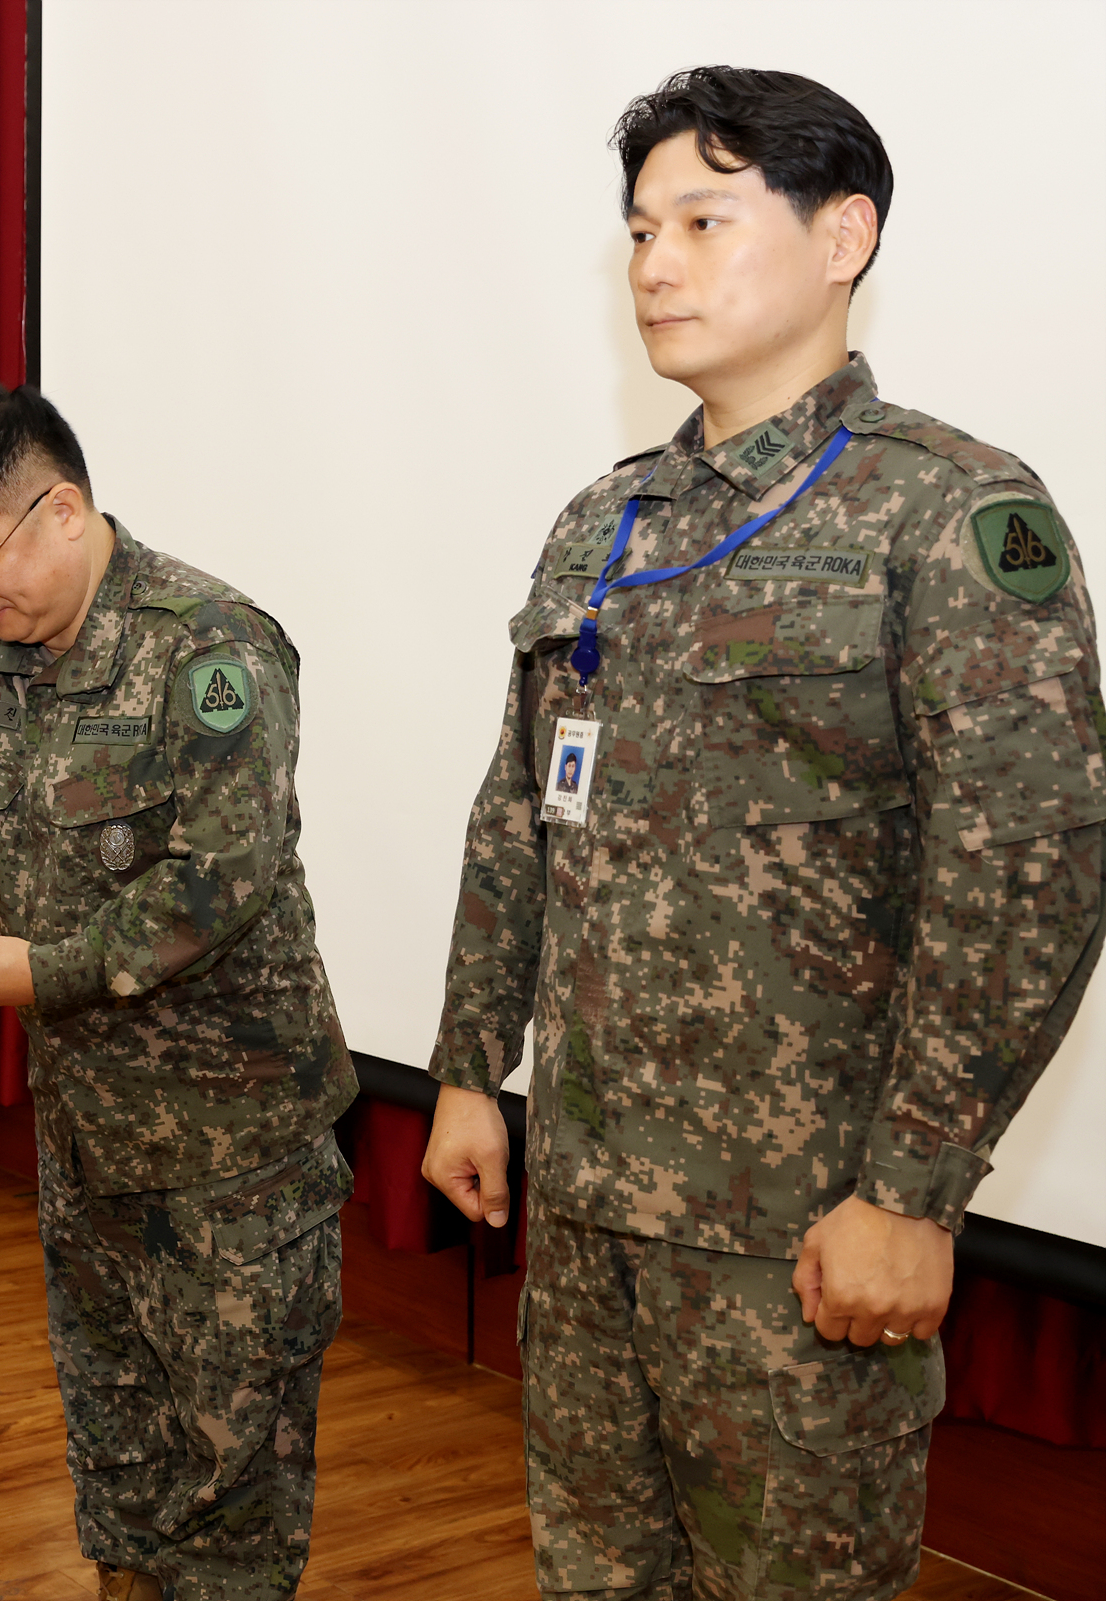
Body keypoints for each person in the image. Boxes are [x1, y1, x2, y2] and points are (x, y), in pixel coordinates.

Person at [420, 67, 1104, 1601]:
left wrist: (915, 1192)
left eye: (705, 220)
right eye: (641, 228)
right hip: (591, 1206)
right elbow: (521, 811)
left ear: (843, 234)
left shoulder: (954, 514)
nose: (655, 261)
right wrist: (471, 1068)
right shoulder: (604, 524)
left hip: (800, 1235)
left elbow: (1031, 870)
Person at [0, 384, 356, 1601]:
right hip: (88, 1127)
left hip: (231, 1140)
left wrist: (58, 969)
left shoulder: (210, 649)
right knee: (116, 1424)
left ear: (66, 510)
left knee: (232, 1461)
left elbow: (220, 880)